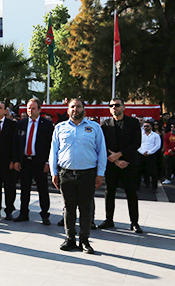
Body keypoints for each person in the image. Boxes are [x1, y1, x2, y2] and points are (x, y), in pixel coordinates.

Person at [50, 98, 107, 254]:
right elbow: (53, 152)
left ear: (84, 109)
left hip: (87, 174)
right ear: (68, 110)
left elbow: (101, 152)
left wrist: (100, 174)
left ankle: (84, 240)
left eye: (78, 106)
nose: (75, 109)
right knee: (68, 208)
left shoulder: (94, 128)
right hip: (66, 174)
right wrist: (54, 172)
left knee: (85, 208)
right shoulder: (60, 128)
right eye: (72, 107)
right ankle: (70, 238)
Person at [99, 99, 142, 233]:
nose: (114, 108)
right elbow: (102, 145)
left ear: (123, 107)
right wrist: (115, 160)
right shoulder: (105, 124)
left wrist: (120, 155)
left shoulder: (133, 123)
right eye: (111, 106)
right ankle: (109, 219)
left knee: (131, 193)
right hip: (112, 164)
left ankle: (134, 222)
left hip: (129, 164)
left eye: (116, 105)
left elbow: (136, 143)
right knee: (109, 192)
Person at [15, 98, 54, 224]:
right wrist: (16, 160)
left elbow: (50, 145)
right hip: (25, 161)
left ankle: (44, 215)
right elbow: (16, 144)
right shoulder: (21, 123)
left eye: (33, 108)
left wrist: (48, 162)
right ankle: (23, 213)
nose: (30, 111)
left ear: (39, 109)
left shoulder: (47, 125)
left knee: (42, 189)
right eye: (28, 108)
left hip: (40, 161)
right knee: (24, 188)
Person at [137, 121, 161, 190]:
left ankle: (154, 187)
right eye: (144, 126)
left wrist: (150, 152)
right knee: (138, 172)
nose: (145, 127)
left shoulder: (155, 135)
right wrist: (142, 152)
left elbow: (157, 145)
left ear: (151, 127)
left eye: (147, 126)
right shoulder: (140, 134)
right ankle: (137, 187)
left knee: (153, 173)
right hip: (141, 155)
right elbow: (137, 144)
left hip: (151, 156)